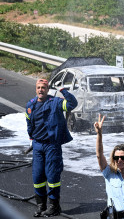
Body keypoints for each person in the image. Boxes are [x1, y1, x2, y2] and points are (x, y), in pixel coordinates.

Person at [25, 79, 78, 217]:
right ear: (35, 89)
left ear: (48, 89)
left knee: (52, 177)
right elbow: (29, 123)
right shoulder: (30, 105)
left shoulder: (56, 102)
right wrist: (31, 139)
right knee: (37, 177)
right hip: (37, 145)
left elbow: (73, 103)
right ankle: (41, 205)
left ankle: (54, 206)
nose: (41, 90)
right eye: (38, 87)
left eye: (44, 87)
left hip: (51, 145)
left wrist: (62, 90)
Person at [94, 114, 124, 219]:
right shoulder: (109, 173)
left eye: (123, 157)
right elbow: (99, 155)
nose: (119, 160)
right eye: (116, 157)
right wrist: (99, 134)